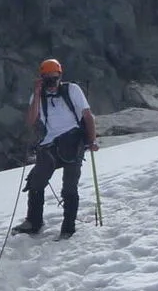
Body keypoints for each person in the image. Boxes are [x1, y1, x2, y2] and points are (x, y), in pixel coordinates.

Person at [13, 58, 99, 239]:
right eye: (48, 79)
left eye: (54, 78)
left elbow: (88, 116)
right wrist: (37, 93)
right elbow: (31, 121)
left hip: (73, 142)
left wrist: (92, 140)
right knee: (36, 182)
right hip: (50, 144)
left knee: (69, 187)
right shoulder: (38, 95)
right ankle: (34, 222)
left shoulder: (72, 90)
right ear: (42, 78)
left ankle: (68, 228)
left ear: (60, 76)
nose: (52, 83)